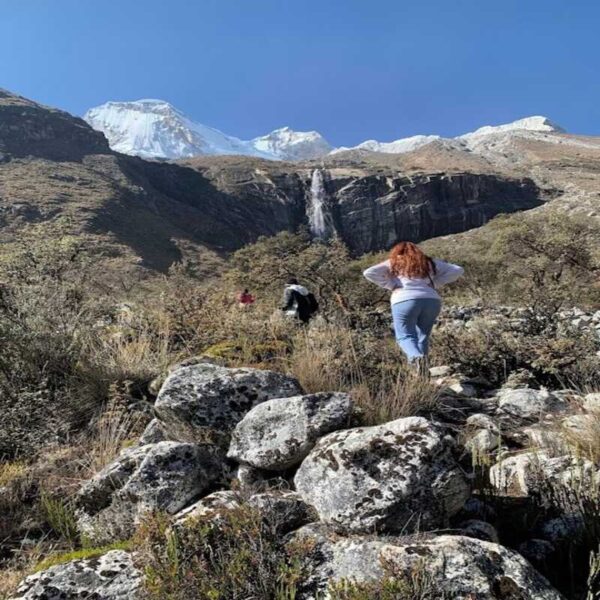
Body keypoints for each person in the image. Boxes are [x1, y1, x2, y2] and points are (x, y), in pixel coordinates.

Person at [363, 242, 463, 369]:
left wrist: (391, 285)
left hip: (404, 300)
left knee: (405, 336)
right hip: (431, 300)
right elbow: (458, 270)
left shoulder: (394, 261)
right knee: (423, 336)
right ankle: (422, 373)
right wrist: (434, 284)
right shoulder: (427, 262)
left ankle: (416, 358)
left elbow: (369, 272)